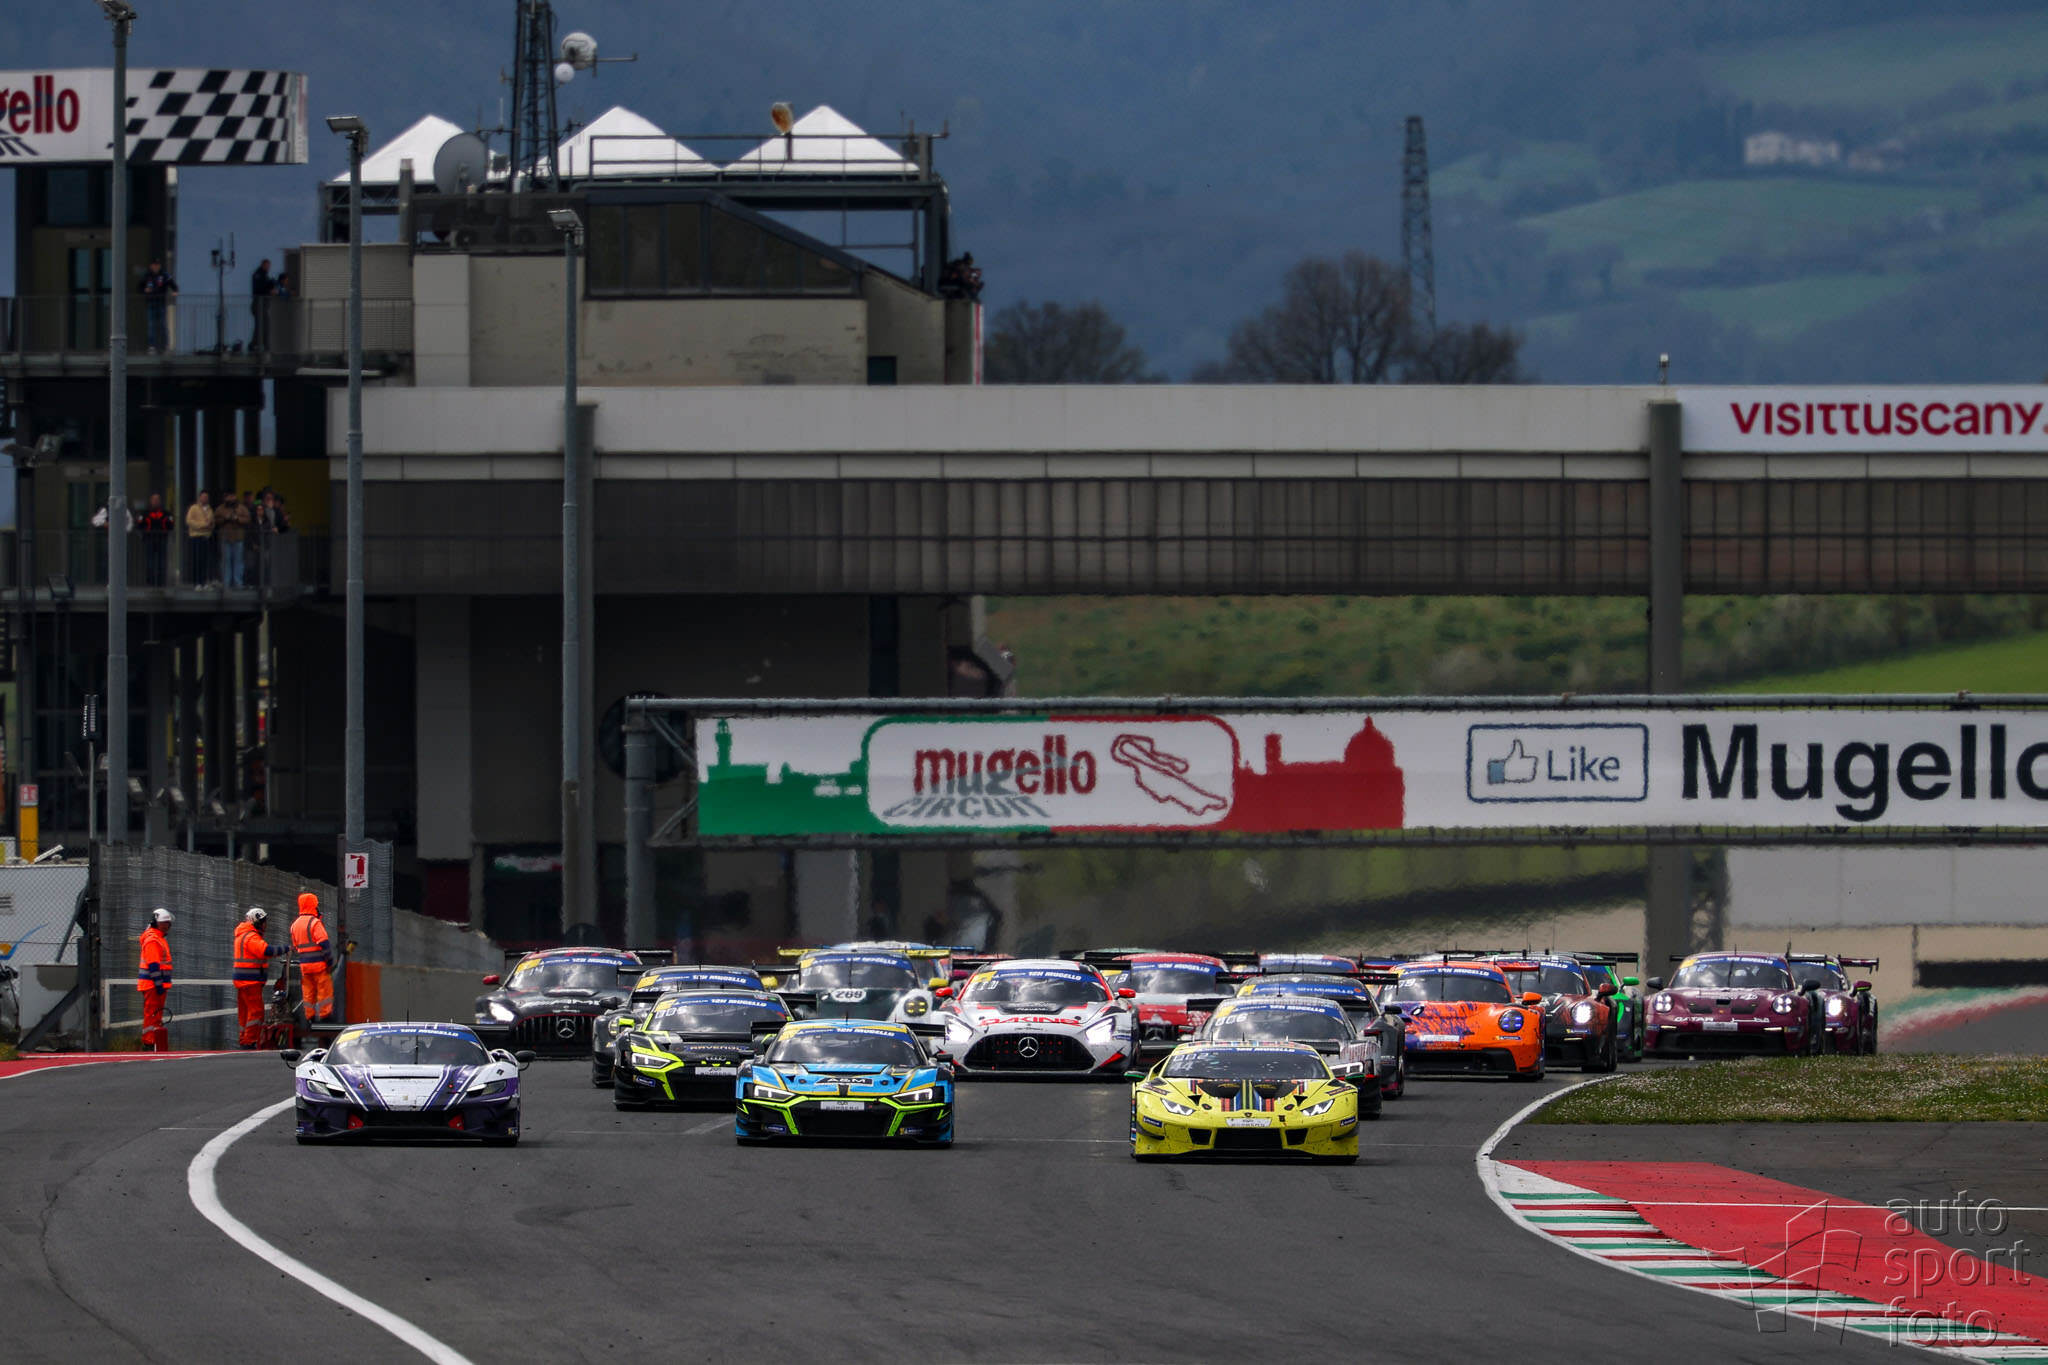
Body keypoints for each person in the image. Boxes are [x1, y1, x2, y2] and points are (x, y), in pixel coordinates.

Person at [232, 906, 289, 1048]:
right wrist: (286, 948)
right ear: (257, 922)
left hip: (243, 982)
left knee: (245, 1013)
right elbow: (266, 951)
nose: (265, 925)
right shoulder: (251, 937)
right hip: (250, 982)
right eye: (263, 922)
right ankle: (249, 1040)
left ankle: (244, 1040)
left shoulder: (242, 935)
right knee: (256, 1012)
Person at [290, 891, 335, 1024]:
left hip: (305, 965)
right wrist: (329, 960)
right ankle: (325, 1016)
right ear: (312, 905)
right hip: (319, 965)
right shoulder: (314, 923)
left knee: (308, 992)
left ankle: (310, 1017)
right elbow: (324, 942)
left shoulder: (295, 925)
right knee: (324, 990)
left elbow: (296, 946)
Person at [138, 907, 174, 1051]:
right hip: (152, 984)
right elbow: (153, 965)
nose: (167, 925)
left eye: (168, 923)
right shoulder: (153, 940)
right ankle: (149, 1041)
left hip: (155, 984)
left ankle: (153, 1041)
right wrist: (159, 985)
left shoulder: (158, 938)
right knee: (152, 1014)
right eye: (165, 923)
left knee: (156, 1014)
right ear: (157, 923)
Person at [139, 259, 177, 353]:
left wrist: (175, 291)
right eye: (154, 265)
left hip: (161, 303)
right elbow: (140, 287)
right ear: (151, 266)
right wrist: (145, 290)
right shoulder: (147, 275)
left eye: (157, 265)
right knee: (151, 325)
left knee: (163, 324)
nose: (155, 267)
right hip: (151, 303)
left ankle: (166, 345)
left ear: (159, 266)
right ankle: (152, 346)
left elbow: (173, 284)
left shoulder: (164, 275)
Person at [136, 492, 174, 586]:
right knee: (150, 561)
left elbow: (171, 525)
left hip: (162, 539)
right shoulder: (145, 513)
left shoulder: (166, 513)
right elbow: (140, 525)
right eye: (154, 500)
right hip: (149, 539)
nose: (156, 501)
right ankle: (150, 581)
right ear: (151, 501)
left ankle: (161, 581)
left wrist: (165, 532)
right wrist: (144, 535)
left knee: (162, 561)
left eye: (157, 500)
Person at [215, 491, 249, 587]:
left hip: (238, 538)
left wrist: (238, 519)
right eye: (228, 496)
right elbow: (215, 520)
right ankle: (226, 583)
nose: (230, 498)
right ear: (225, 498)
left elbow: (248, 519)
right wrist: (225, 519)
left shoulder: (242, 508)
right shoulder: (220, 508)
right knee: (226, 561)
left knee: (238, 561)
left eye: (232, 496)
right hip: (225, 538)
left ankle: (238, 583)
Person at [184, 489, 214, 585]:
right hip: (196, 537)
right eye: (203, 497)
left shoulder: (210, 509)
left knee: (204, 561)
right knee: (196, 560)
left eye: (206, 497)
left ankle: (203, 582)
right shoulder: (194, 508)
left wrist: (209, 526)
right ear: (200, 497)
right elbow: (189, 521)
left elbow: (211, 523)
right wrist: (202, 525)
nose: (205, 498)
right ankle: (196, 582)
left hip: (206, 537)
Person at [250, 258, 274, 352]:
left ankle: (257, 344)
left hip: (262, 304)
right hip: (259, 304)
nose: (268, 268)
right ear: (263, 265)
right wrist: (269, 290)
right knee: (261, 325)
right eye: (267, 266)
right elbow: (259, 289)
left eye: (269, 266)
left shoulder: (263, 275)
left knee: (262, 325)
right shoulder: (259, 275)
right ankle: (258, 345)